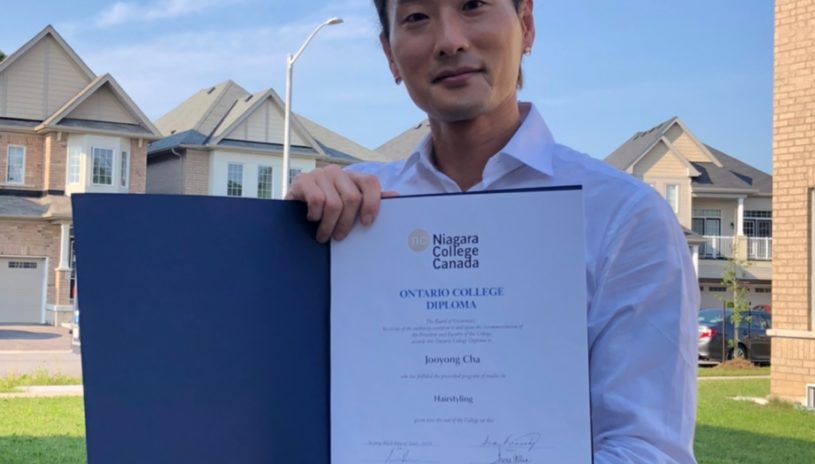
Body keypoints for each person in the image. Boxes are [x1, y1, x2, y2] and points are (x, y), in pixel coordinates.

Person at [287, 0, 699, 462]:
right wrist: (288, 239)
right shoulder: (356, 209)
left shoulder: (623, 217)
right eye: (417, 17)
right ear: (389, 55)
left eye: (473, 5)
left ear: (526, 24)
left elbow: (645, 448)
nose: (450, 40)